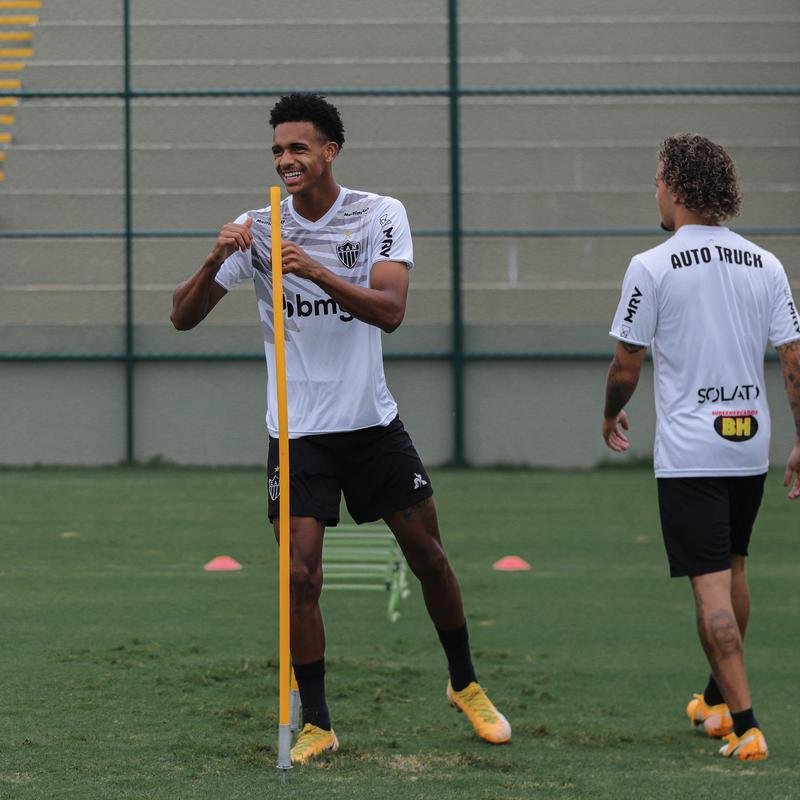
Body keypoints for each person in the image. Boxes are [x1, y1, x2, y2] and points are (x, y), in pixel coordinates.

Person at [170, 92, 510, 764]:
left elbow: (390, 310)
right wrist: (214, 258)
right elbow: (182, 317)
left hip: (372, 424)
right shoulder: (258, 225)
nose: (285, 161)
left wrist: (317, 270)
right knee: (299, 577)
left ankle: (464, 683)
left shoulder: (380, 215)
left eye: (298, 148)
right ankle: (319, 722)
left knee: (431, 558)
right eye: (276, 151)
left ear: (330, 150)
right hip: (297, 433)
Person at [601, 133, 800, 762]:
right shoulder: (765, 263)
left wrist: (610, 411)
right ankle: (715, 701)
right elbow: (793, 358)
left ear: (678, 188)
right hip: (750, 444)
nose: (654, 190)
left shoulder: (651, 266)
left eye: (658, 179)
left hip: (691, 451)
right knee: (734, 569)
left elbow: (626, 365)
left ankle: (746, 725)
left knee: (709, 588)